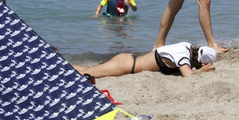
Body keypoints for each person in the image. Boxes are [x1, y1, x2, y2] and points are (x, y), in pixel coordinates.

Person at [76, 41, 216, 79]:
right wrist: (202, 71)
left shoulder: (187, 46)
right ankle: (58, 68)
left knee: (87, 70)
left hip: (129, 61)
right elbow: (188, 75)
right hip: (127, 65)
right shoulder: (182, 56)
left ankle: (62, 66)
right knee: (87, 74)